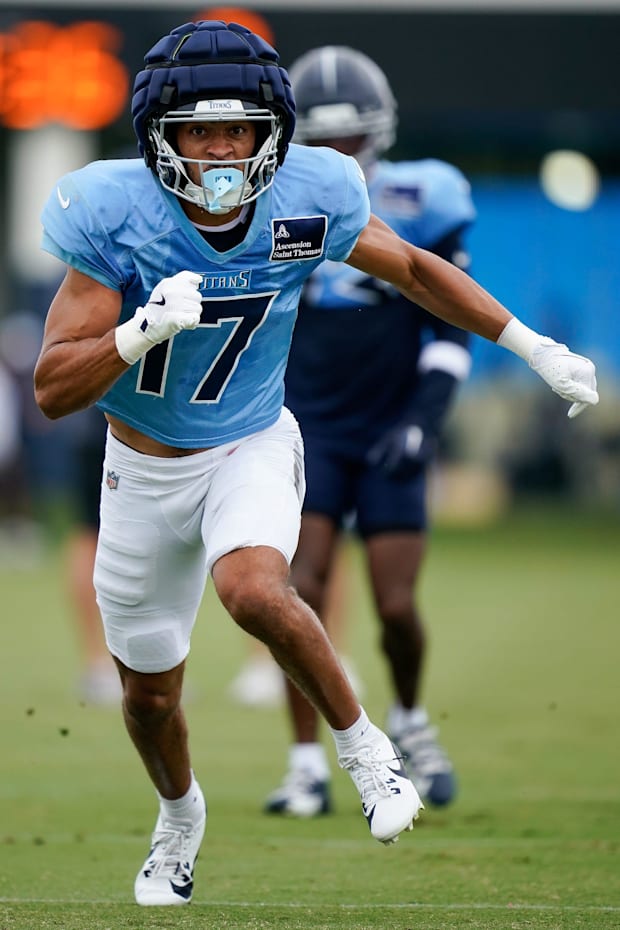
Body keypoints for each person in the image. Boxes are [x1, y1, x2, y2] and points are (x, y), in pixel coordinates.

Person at [32, 20, 598, 908]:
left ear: (272, 134)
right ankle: (179, 820)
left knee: (257, 588)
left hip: (251, 440)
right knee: (148, 698)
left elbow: (413, 266)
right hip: (139, 471)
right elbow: (53, 389)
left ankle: (367, 754)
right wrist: (139, 330)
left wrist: (532, 345)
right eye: (199, 129)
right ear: (159, 136)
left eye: (238, 129)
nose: (221, 148)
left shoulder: (313, 193)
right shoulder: (114, 209)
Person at [264, 45, 474, 817]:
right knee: (297, 592)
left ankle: (412, 721)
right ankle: (304, 764)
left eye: (347, 142)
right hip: (308, 420)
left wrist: (423, 421)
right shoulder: (273, 200)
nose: (336, 158)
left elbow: (449, 324)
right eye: (319, 145)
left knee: (393, 605)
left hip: (391, 419)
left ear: (378, 135)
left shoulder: (424, 194)